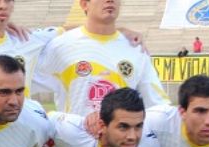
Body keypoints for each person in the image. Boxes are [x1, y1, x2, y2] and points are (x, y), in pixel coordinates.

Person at [36, 0, 169, 116]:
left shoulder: (136, 48)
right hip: (76, 141)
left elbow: (156, 104)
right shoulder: (60, 45)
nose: (110, 0)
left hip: (119, 142)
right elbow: (26, 82)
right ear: (84, 4)